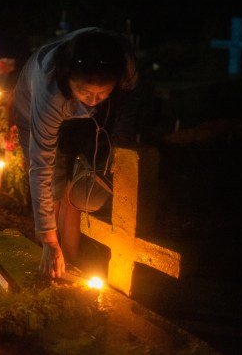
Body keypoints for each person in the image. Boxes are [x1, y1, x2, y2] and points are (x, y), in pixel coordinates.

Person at [12, 27, 144, 279]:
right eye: (85, 92)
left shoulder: (123, 62)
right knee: (52, 188)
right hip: (34, 115)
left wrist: (121, 139)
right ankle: (47, 254)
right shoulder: (49, 89)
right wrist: (50, 241)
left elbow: (132, 97)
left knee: (79, 188)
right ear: (68, 78)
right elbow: (41, 168)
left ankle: (69, 262)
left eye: (102, 92)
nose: (94, 99)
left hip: (89, 124)